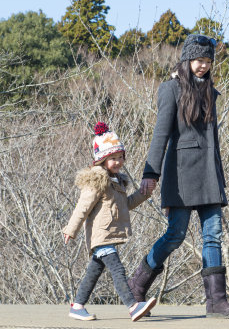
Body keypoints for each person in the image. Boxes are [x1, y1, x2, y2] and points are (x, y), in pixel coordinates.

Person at [127, 34, 229, 319]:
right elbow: (161, 134)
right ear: (187, 59)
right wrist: (150, 173)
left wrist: (219, 173)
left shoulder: (210, 92)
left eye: (207, 61)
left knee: (213, 235)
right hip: (180, 175)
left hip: (209, 175)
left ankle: (216, 302)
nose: (203, 65)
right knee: (175, 235)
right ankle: (136, 285)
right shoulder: (170, 89)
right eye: (198, 60)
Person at [62, 122, 157, 322]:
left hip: (108, 235)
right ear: (102, 160)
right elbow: (83, 206)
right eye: (113, 158)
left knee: (94, 272)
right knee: (117, 269)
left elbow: (126, 205)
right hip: (101, 235)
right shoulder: (98, 180)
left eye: (120, 157)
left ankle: (77, 306)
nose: (118, 161)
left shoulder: (117, 182)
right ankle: (132, 306)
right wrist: (71, 229)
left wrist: (143, 194)